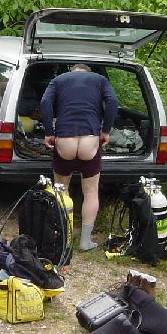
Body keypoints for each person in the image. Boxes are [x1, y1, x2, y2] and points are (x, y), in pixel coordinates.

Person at [40, 63, 119, 252]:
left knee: (61, 190)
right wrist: (106, 130)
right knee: (90, 192)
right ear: (87, 72)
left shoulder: (58, 80)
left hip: (65, 140)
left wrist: (49, 132)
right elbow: (112, 102)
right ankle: (85, 241)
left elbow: (44, 103)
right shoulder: (100, 80)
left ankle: (62, 237)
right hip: (89, 141)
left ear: (73, 71)